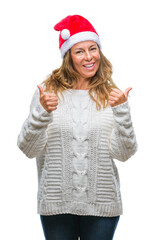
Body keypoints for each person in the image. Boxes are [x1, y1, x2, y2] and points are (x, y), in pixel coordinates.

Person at [17, 15, 138, 240]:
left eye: (93, 48)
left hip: (102, 204)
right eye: (79, 51)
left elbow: (124, 153)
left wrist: (122, 112)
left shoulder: (112, 95)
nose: (89, 57)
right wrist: (41, 112)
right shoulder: (48, 92)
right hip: (56, 203)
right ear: (68, 57)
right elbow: (27, 148)